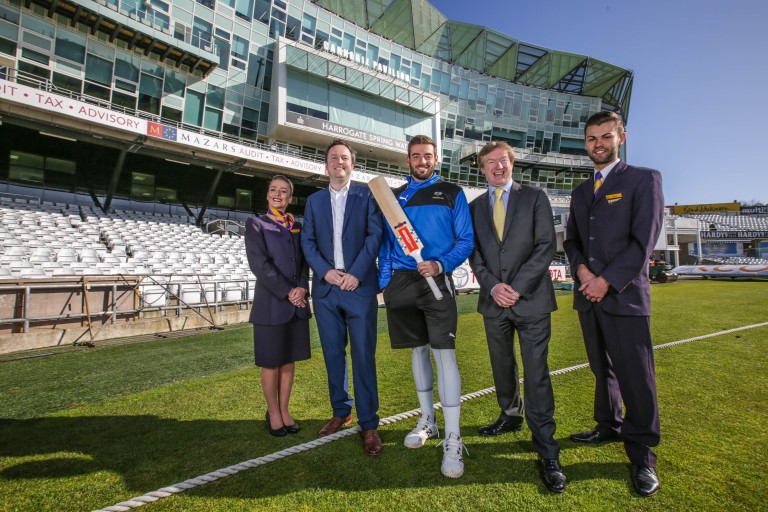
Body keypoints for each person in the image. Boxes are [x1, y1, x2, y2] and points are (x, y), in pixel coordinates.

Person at [563, 111, 665, 496]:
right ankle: (608, 425)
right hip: (589, 296)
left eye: (605, 136)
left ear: (621, 137)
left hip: (624, 297)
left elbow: (643, 242)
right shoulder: (579, 191)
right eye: (591, 138)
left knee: (636, 377)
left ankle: (642, 455)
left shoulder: (643, 179)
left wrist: (606, 281)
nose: (598, 144)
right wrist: (585, 275)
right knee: (600, 367)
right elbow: (571, 242)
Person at [468, 141, 566, 493]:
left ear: (512, 164)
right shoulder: (475, 206)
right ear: (481, 168)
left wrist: (515, 287)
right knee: (501, 365)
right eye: (490, 162)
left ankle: (548, 449)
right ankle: (510, 416)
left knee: (536, 372)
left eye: (503, 160)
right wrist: (494, 286)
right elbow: (473, 253)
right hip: (494, 302)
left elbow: (546, 246)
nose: (498, 167)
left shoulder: (535, 196)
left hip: (532, 301)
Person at [378, 134, 474, 478]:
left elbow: (466, 240)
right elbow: (388, 243)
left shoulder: (452, 193)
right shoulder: (394, 197)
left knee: (444, 353)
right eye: (416, 156)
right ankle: (427, 421)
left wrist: (440, 264)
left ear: (437, 160)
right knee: (417, 352)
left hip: (437, 281)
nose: (422, 161)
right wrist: (386, 281)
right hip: (402, 283)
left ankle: (453, 436)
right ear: (408, 161)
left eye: (427, 156)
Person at [301, 139, 384, 456]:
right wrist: (325, 272)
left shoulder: (367, 195)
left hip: (358, 288)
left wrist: (356, 273)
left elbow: (375, 236)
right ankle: (341, 412)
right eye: (334, 157)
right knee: (334, 355)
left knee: (364, 356)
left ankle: (369, 423)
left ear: (352, 164)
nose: (339, 161)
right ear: (326, 165)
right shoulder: (314, 201)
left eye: (345, 157)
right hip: (326, 290)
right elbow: (308, 242)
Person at [245, 175, 311, 437]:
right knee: (271, 362)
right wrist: (288, 292)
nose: (278, 194)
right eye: (273, 189)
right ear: (267, 195)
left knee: (288, 362)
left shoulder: (298, 226)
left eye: (283, 191)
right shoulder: (257, 224)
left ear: (290, 197)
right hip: (271, 304)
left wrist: (303, 287)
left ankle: (285, 410)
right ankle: (272, 412)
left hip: (297, 303)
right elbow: (259, 265)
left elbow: (304, 263)